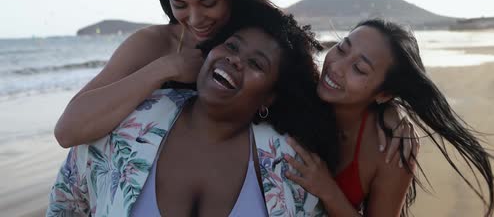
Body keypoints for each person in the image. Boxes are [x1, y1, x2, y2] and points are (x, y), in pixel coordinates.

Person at [54, 0, 399, 156]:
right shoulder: (155, 44)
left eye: (209, 3)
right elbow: (68, 130)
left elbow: (320, 101)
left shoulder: (268, 39)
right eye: (179, 5)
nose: (195, 18)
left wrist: (386, 114)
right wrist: (166, 67)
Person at [47, 11, 339, 216]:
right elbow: (66, 204)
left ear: (269, 97)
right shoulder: (128, 121)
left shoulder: (289, 163)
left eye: (257, 64)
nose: (235, 60)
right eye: (232, 46)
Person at [285, 19, 494, 216]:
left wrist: (328, 190)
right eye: (341, 48)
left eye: (359, 69)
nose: (336, 67)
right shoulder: (300, 92)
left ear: (384, 94)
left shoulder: (392, 150)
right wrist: (393, 111)